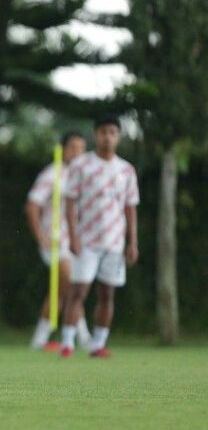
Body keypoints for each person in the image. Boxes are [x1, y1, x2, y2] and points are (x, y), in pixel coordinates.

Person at [59, 116, 139, 358]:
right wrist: (72, 235)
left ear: (119, 136)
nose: (108, 136)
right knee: (79, 291)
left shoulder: (126, 170)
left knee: (107, 294)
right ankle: (67, 343)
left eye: (113, 132)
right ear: (96, 135)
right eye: (103, 132)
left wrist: (132, 241)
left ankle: (98, 343)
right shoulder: (82, 165)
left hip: (114, 243)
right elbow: (70, 203)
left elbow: (130, 207)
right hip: (87, 241)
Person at [25, 132, 92, 350]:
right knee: (68, 280)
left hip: (78, 241)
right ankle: (73, 336)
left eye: (81, 148)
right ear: (63, 149)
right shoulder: (52, 174)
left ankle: (67, 336)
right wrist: (40, 236)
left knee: (72, 288)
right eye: (73, 147)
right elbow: (32, 205)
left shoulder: (87, 175)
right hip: (54, 240)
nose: (77, 152)